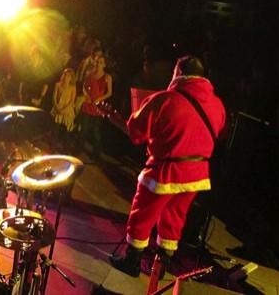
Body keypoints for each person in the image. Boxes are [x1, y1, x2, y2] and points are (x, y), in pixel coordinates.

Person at [108, 55, 226, 277]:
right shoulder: (218, 105)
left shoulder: (163, 99)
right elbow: (216, 134)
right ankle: (159, 268)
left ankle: (132, 262)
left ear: (178, 73)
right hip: (197, 175)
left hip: (165, 173)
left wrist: (116, 117)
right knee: (175, 218)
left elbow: (136, 132)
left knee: (142, 214)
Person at [77, 56, 112, 158]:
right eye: (97, 62)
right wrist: (86, 95)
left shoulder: (107, 77)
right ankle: (79, 148)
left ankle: (97, 152)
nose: (98, 64)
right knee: (84, 128)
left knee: (96, 130)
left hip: (98, 106)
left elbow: (109, 92)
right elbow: (84, 86)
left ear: (104, 65)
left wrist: (99, 99)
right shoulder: (90, 74)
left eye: (101, 62)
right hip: (88, 104)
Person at [50, 68, 77, 152]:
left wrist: (64, 110)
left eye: (68, 76)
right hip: (58, 110)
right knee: (55, 131)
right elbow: (54, 98)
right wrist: (58, 108)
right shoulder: (58, 85)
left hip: (67, 111)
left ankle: (66, 149)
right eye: (65, 75)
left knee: (66, 133)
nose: (66, 77)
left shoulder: (73, 88)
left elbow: (72, 101)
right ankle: (53, 148)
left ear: (71, 78)